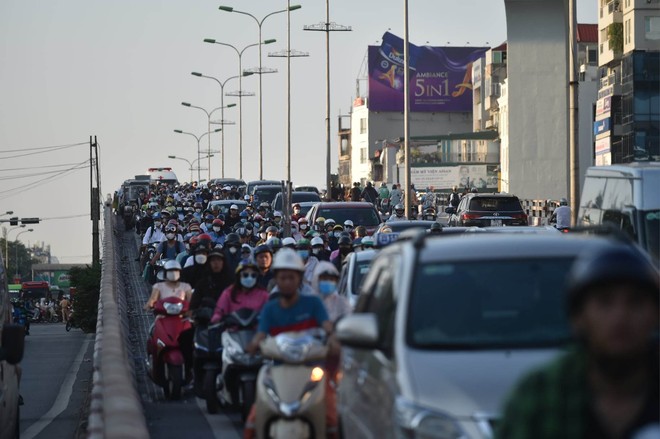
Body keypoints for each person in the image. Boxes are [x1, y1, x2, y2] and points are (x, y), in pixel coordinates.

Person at [496, 245, 660, 439]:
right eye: (605, 302)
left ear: (654, 315)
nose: (620, 317)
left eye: (636, 302)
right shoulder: (541, 396)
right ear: (578, 318)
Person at [244, 249, 336, 438]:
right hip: (276, 371)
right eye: (282, 277)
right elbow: (261, 335)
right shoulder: (270, 308)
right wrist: (252, 346)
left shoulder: (313, 304)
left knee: (332, 418)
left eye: (291, 278)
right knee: (254, 418)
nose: (287, 282)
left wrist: (334, 340)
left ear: (300, 278)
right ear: (276, 278)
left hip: (311, 371)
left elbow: (327, 328)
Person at [210, 259, 269, 323]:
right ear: (238, 276)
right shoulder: (228, 293)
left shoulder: (263, 294)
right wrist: (216, 318)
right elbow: (219, 311)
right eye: (245, 275)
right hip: (232, 330)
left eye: (253, 275)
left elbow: (270, 313)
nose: (249, 278)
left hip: (257, 331)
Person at [190, 247, 234, 312]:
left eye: (219, 260)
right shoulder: (203, 282)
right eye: (213, 260)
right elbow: (194, 305)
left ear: (223, 262)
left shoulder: (231, 281)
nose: (216, 263)